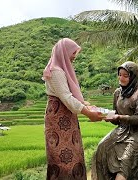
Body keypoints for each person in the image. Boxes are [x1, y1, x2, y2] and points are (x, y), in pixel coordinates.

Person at [42, 38, 105, 180]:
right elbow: (66, 98)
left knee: (73, 154)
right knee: (63, 159)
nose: (74, 57)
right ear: (64, 52)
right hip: (59, 119)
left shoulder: (59, 70)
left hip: (66, 117)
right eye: (72, 54)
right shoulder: (56, 71)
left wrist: (85, 105)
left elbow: (68, 97)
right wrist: (88, 112)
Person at [91, 61, 138, 180]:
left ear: (133, 77)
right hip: (122, 129)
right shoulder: (118, 93)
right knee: (101, 148)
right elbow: (116, 117)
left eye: (125, 75)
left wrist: (119, 117)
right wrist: (107, 116)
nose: (121, 78)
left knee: (127, 159)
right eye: (120, 74)